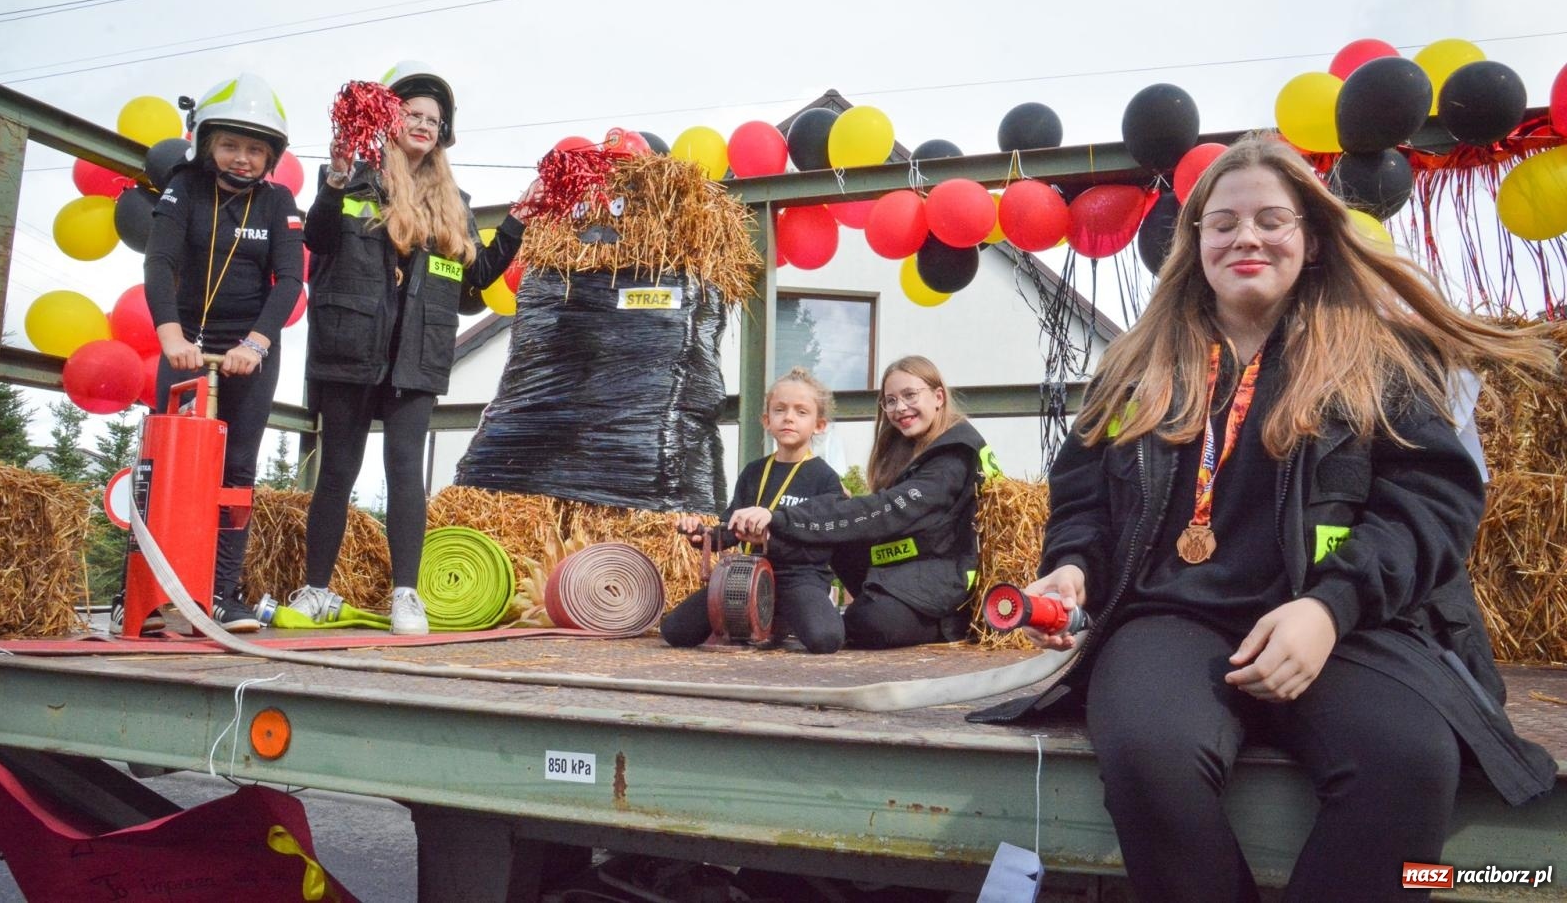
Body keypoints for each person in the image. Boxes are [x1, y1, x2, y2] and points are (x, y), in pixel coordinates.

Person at [970, 135, 1558, 902]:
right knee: (1149, 754)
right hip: (1171, 620)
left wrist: (1328, 607)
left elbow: (1432, 502)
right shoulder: (1134, 368)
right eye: (1223, 223)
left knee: (1408, 761)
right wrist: (1073, 568)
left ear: (1311, 239)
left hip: (1347, 624)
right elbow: (1083, 498)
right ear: (1196, 243)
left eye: (1271, 220)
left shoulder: (1380, 357)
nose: (1246, 236)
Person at [289, 61, 533, 635]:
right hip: (351, 348)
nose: (423, 124)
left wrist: (519, 219)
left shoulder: (455, 201)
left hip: (415, 356)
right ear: (388, 120)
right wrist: (334, 180)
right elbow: (318, 240)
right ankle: (316, 590)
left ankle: (406, 594)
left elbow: (474, 284)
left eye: (434, 118)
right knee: (337, 472)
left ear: (443, 133)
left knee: (404, 472)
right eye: (413, 114)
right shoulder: (353, 177)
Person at [136, 72, 304, 634]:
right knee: (160, 467)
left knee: (237, 470)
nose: (241, 158)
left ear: (270, 157)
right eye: (230, 144)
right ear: (207, 143)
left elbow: (289, 281)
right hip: (186, 345)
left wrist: (256, 343)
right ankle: (141, 593)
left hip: (249, 352)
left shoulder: (279, 202)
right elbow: (159, 262)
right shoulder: (183, 187)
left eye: (254, 149)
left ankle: (221, 592)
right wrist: (170, 336)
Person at [731, 355, 997, 649]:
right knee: (841, 539)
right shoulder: (914, 446)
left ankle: (932, 624)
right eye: (891, 401)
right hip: (913, 566)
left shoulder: (954, 454)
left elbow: (889, 510)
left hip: (946, 580)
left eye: (910, 395)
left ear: (938, 397)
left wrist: (781, 518)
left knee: (866, 623)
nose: (900, 408)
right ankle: (814, 600)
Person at [661, 368, 848, 653]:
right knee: (674, 630)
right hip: (743, 575)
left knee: (826, 639)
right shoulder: (753, 472)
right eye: (779, 409)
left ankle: (780, 613)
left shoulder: (825, 479)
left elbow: (823, 545)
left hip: (797, 578)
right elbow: (730, 530)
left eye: (801, 412)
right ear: (766, 420)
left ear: (819, 425)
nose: (788, 417)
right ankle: (762, 613)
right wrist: (702, 535)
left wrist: (769, 538)